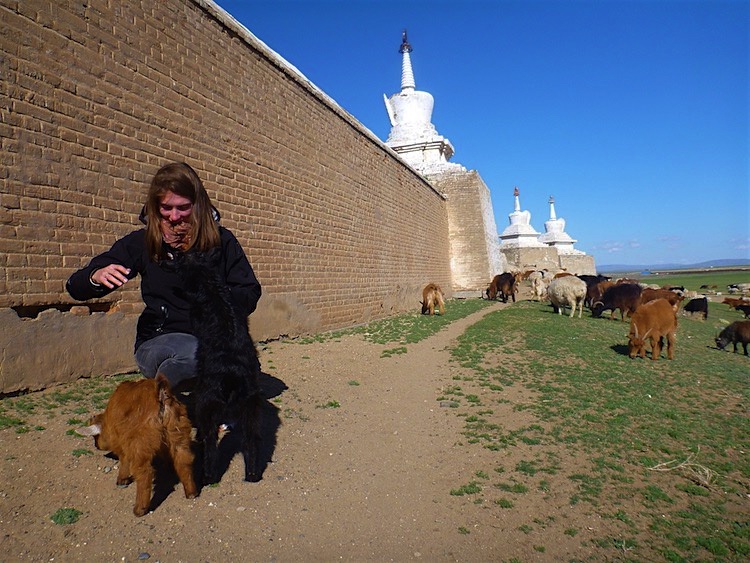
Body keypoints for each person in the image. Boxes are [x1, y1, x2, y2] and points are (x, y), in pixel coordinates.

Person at [66, 162, 261, 389]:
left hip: (212, 335)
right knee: (195, 355)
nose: (174, 217)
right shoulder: (142, 243)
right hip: (159, 340)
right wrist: (95, 276)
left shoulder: (222, 241)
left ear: (198, 205)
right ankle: (160, 401)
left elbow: (249, 290)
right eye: (166, 208)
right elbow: (75, 287)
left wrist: (220, 305)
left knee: (240, 367)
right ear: (155, 205)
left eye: (183, 208)